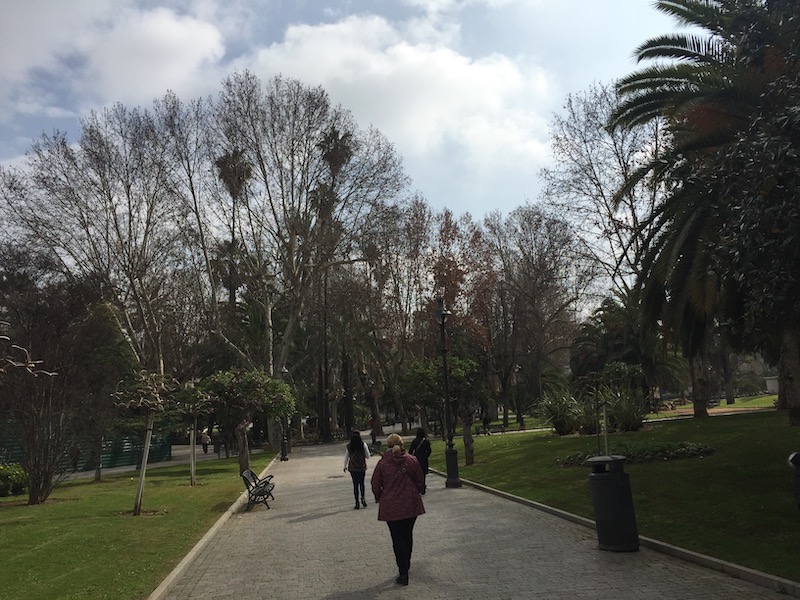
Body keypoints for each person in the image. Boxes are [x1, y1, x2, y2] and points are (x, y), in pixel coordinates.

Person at [371, 433, 425, 586]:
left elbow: (375, 483)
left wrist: (379, 497)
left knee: (397, 539)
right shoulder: (411, 460)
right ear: (402, 444)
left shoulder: (383, 463)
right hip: (410, 504)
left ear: (388, 445)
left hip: (391, 505)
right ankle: (406, 563)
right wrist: (419, 490)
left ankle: (403, 572)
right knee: (407, 535)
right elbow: (420, 478)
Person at [344, 431, 371, 509]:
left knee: (355, 485)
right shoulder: (363, 445)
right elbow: (367, 456)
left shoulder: (349, 446)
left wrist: (344, 466)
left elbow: (346, 457)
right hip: (361, 466)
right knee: (362, 483)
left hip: (353, 467)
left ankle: (356, 502)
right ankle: (363, 497)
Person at [409, 427, 431, 493]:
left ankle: (418, 486)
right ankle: (423, 486)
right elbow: (429, 450)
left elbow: (410, 450)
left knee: (416, 473)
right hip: (424, 459)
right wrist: (426, 455)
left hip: (416, 458)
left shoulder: (414, 441)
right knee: (423, 473)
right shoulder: (426, 441)